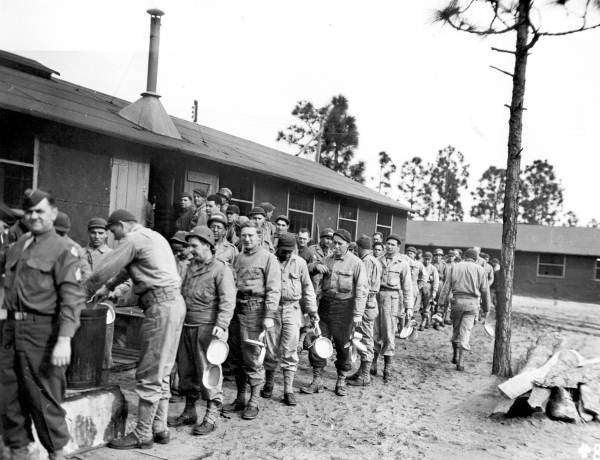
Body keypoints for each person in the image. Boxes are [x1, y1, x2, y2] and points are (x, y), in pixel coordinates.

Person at [86, 209, 185, 449]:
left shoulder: (132, 239)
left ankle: (142, 434)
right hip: (173, 304)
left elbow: (104, 269)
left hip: (160, 307)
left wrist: (84, 287)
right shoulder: (153, 236)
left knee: (149, 372)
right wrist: (109, 287)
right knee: (162, 370)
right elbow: (124, 270)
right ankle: (160, 428)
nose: (112, 236)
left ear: (122, 225)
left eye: (112, 230)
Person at [0, 189, 86, 460]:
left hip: (43, 332)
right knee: (6, 397)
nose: (34, 216)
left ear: (53, 213)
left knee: (43, 399)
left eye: (40, 211)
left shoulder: (64, 249)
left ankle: (57, 453)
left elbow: (72, 299)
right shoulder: (18, 244)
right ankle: (19, 451)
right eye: (29, 212)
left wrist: (64, 340)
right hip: (10, 330)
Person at [167, 226, 235, 435]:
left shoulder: (220, 269)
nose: (191, 250)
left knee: (208, 372)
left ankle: (211, 416)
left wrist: (221, 325)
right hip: (186, 326)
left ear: (207, 245)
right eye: (189, 246)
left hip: (208, 329)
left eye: (195, 246)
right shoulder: (188, 268)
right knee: (187, 372)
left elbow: (228, 300)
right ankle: (189, 412)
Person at [301, 229, 367, 397]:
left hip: (345, 309)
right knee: (318, 341)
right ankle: (317, 380)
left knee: (343, 345)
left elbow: (362, 290)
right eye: (334, 243)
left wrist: (358, 314)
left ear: (348, 245)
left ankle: (341, 381)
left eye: (340, 244)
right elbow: (306, 268)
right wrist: (316, 266)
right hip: (325, 306)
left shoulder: (356, 263)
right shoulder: (327, 259)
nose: (335, 246)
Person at [225, 222, 281, 420]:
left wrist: (269, 316)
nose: (246, 239)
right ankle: (240, 398)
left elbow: (274, 289)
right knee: (237, 357)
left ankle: (254, 401)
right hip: (237, 310)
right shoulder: (239, 258)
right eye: (243, 235)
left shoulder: (268, 258)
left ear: (259, 237)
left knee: (252, 356)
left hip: (255, 311)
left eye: (251, 235)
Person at [262, 233, 317, 406]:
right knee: (270, 348)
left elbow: (308, 288)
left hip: (293, 309)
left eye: (289, 251)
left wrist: (312, 310)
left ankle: (288, 390)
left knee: (290, 349)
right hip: (273, 309)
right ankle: (269, 384)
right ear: (277, 247)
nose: (286, 254)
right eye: (283, 251)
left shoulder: (300, 263)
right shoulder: (270, 260)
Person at [438, 248, 491, 371]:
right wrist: (486, 308)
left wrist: (441, 303)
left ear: (464, 256)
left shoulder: (455, 267)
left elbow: (446, 287)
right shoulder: (480, 269)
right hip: (472, 304)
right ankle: (461, 362)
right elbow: (485, 291)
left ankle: (455, 355)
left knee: (456, 330)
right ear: (476, 258)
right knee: (466, 331)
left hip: (457, 302)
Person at [372, 234, 411, 383]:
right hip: (377, 296)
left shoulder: (403, 263)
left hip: (392, 298)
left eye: (392, 244)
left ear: (398, 247)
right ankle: (373, 363)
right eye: (387, 244)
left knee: (389, 332)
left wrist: (409, 307)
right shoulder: (378, 260)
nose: (389, 246)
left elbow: (407, 287)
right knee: (374, 331)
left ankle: (387, 367)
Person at [348, 235, 381, 387]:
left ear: (360, 248)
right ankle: (361, 372)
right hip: (371, 303)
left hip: (366, 305)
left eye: (356, 249)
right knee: (362, 337)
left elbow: (363, 286)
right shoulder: (375, 260)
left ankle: (365, 376)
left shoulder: (366, 262)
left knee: (365, 339)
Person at [307, 227, 333, 301]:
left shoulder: (331, 254)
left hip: (323, 291)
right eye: (327, 238)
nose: (329, 241)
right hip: (311, 287)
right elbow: (305, 268)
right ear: (321, 238)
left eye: (331, 239)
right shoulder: (311, 249)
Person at [418, 251, 439, 331]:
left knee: (427, 307)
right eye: (425, 259)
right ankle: (427, 320)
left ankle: (423, 322)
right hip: (420, 287)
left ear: (431, 260)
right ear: (423, 258)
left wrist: (434, 291)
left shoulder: (433, 268)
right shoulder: (420, 266)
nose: (427, 261)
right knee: (420, 306)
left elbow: (436, 281)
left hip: (428, 288)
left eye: (429, 259)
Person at [404, 246, 425, 324]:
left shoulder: (418, 264)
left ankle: (408, 324)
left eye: (411, 253)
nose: (409, 255)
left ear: (415, 255)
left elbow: (424, 275)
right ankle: (401, 326)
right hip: (403, 287)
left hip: (413, 287)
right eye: (408, 253)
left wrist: (419, 285)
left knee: (410, 307)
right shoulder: (403, 262)